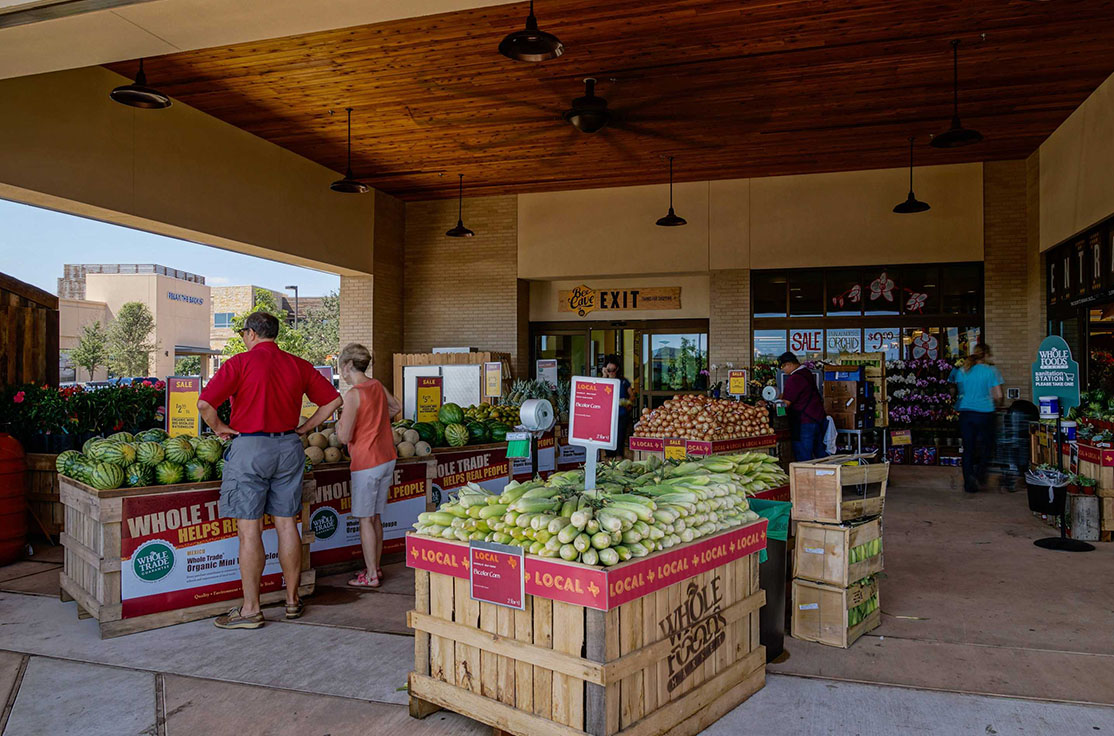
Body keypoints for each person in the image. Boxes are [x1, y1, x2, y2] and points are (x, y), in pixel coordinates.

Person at [197, 311, 341, 629]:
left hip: (250, 447)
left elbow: (205, 405)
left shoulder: (239, 363)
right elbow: (333, 401)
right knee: (287, 524)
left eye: (243, 334)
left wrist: (220, 428)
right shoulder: (298, 364)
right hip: (289, 447)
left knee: (249, 530)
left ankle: (251, 610)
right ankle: (292, 601)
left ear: (251, 333)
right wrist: (305, 428)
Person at [334, 343, 401, 589]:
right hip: (387, 458)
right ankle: (376, 567)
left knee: (365, 519)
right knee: (375, 517)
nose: (341, 372)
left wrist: (339, 426)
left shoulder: (354, 394)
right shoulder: (376, 385)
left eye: (341, 366)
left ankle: (371, 575)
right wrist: (375, 421)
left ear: (348, 365)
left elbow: (344, 437)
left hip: (366, 462)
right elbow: (396, 407)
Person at [951, 343, 1003, 493]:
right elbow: (998, 395)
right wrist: (996, 403)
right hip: (985, 412)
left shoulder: (963, 370)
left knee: (968, 448)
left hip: (966, 412)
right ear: (985, 355)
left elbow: (957, 391)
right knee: (987, 445)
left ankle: (968, 483)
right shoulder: (990, 371)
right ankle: (980, 474)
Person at [778, 351, 828, 462]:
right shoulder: (806, 373)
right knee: (820, 456)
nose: (783, 370)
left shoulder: (794, 378)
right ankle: (827, 473)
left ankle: (806, 474)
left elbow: (786, 404)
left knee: (804, 458)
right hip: (817, 419)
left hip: (804, 423)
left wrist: (774, 407)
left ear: (789, 364)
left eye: (783, 367)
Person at [602, 354, 633, 458]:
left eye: (613, 370)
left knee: (620, 437)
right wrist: (604, 376)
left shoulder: (623, 382)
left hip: (621, 415)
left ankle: (619, 457)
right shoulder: (603, 381)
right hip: (607, 415)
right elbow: (599, 394)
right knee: (607, 437)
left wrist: (627, 403)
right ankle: (609, 457)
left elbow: (632, 396)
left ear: (617, 369)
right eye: (609, 370)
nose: (611, 372)